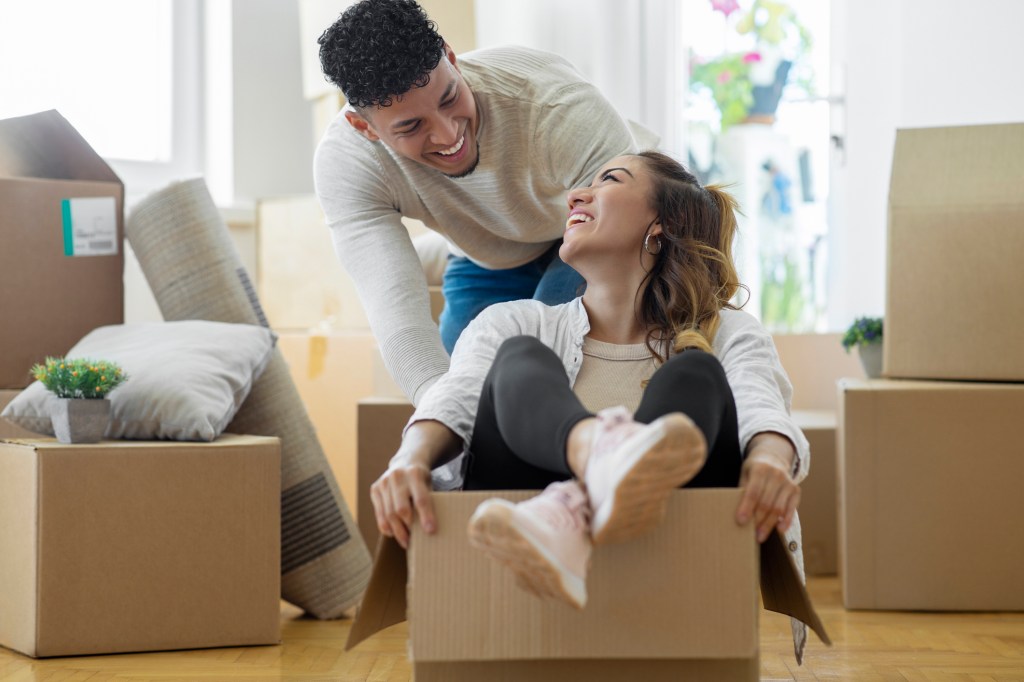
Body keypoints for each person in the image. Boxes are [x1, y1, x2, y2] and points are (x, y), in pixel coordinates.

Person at [369, 151, 812, 658]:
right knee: (518, 358)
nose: (577, 195)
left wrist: (772, 461)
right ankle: (596, 457)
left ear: (660, 225)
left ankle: (577, 505)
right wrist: (410, 458)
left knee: (694, 370)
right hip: (518, 584)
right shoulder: (516, 322)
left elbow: (761, 403)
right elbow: (460, 392)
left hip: (666, 583)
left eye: (609, 181)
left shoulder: (728, 332)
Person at [314, 0, 657, 405]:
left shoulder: (556, 104)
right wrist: (441, 419)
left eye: (449, 98)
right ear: (363, 127)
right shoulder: (349, 165)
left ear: (452, 60)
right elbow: (398, 315)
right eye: (411, 126)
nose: (447, 135)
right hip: (488, 254)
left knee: (549, 363)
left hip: (596, 232)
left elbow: (629, 233)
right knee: (469, 380)